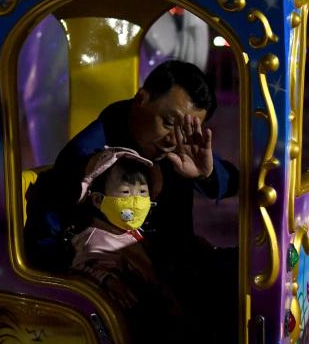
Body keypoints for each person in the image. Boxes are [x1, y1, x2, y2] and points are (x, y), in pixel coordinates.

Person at [24, 59, 237, 272]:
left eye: (185, 131)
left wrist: (206, 173)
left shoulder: (178, 146)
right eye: (169, 123)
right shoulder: (88, 155)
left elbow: (235, 181)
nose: (173, 140)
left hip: (177, 267)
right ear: (141, 98)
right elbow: (46, 242)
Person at [69, 147, 177, 312]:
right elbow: (80, 269)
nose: (137, 201)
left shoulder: (130, 230)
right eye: (126, 192)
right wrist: (107, 280)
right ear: (98, 200)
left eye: (142, 192)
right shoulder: (93, 239)